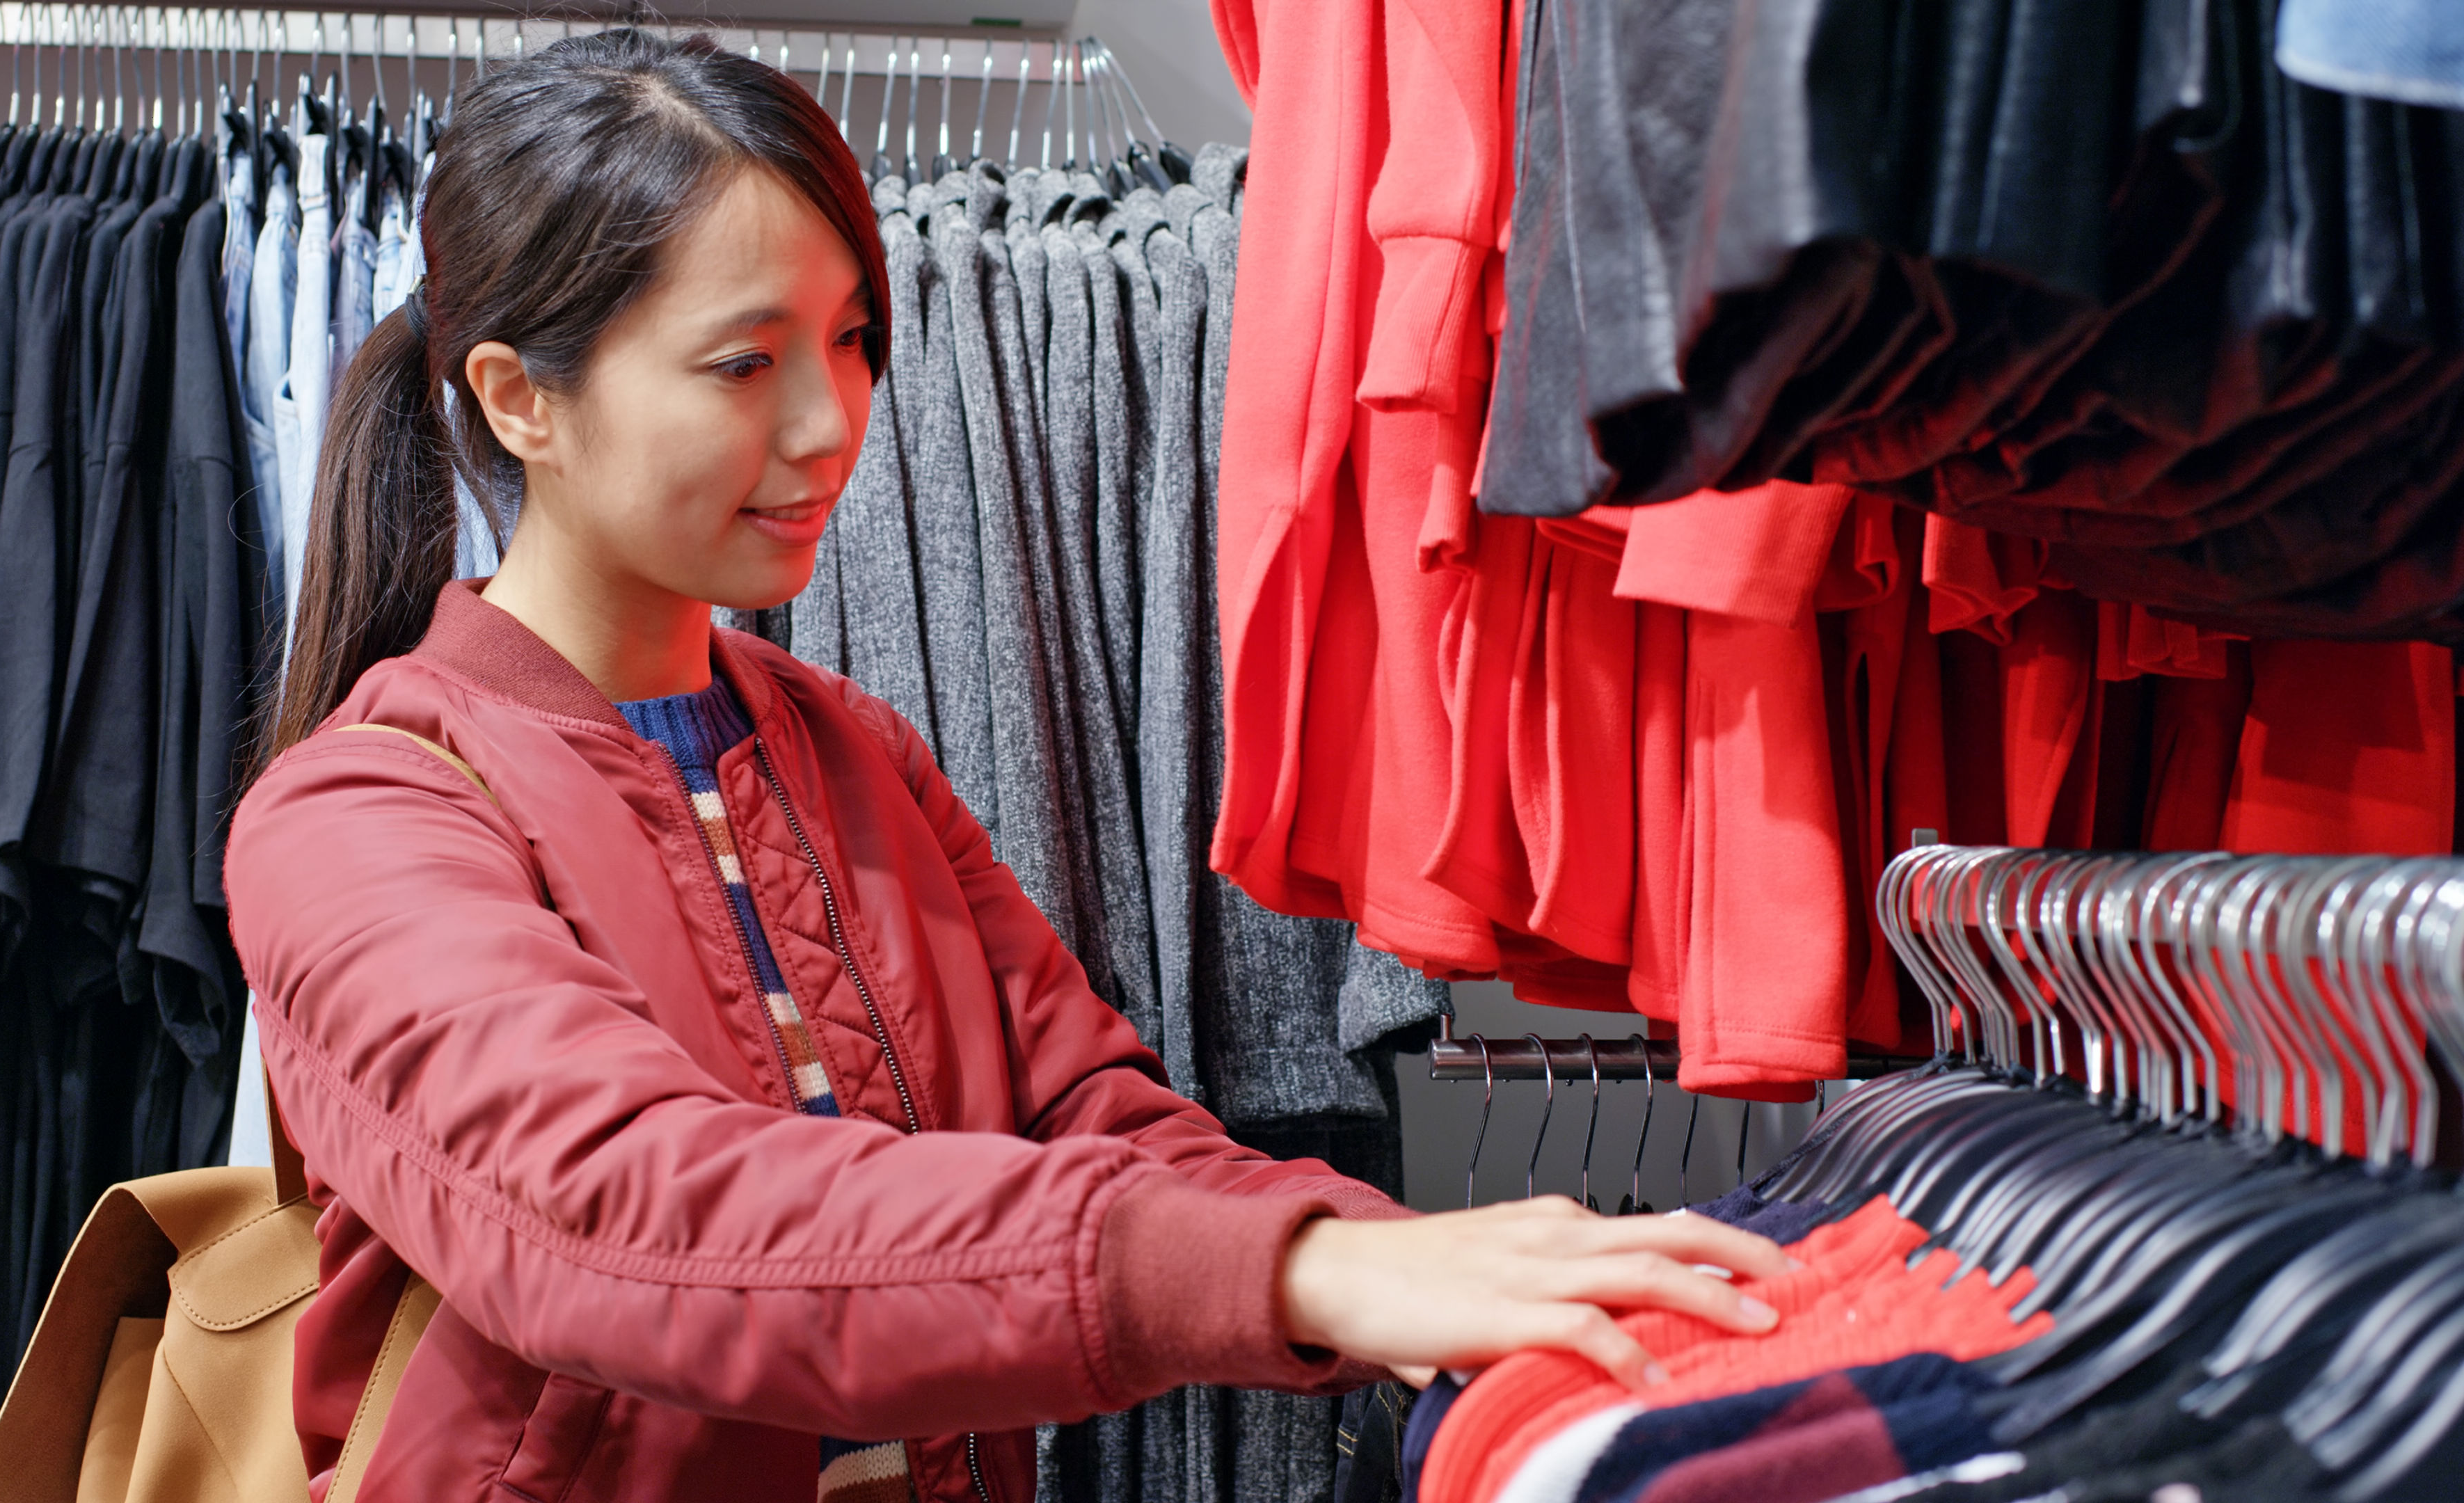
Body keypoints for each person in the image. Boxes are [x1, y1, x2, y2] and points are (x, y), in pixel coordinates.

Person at [225, 30, 1794, 1503]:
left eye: (849, 341)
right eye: (741, 365)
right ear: (520, 399)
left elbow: (1092, 1116)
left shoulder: (848, 750)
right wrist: (1304, 1276)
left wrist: (1390, 1264)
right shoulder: (359, 815)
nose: (833, 422)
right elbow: (618, 1217)